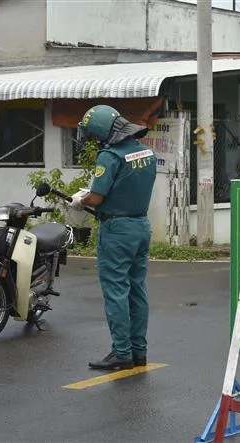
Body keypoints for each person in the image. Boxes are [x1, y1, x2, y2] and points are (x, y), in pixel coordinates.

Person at [70, 105, 157, 371]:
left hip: (116, 231)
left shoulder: (110, 156)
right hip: (141, 225)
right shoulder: (147, 152)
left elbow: (96, 198)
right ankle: (138, 351)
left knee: (117, 292)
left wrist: (80, 200)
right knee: (137, 290)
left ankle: (121, 352)